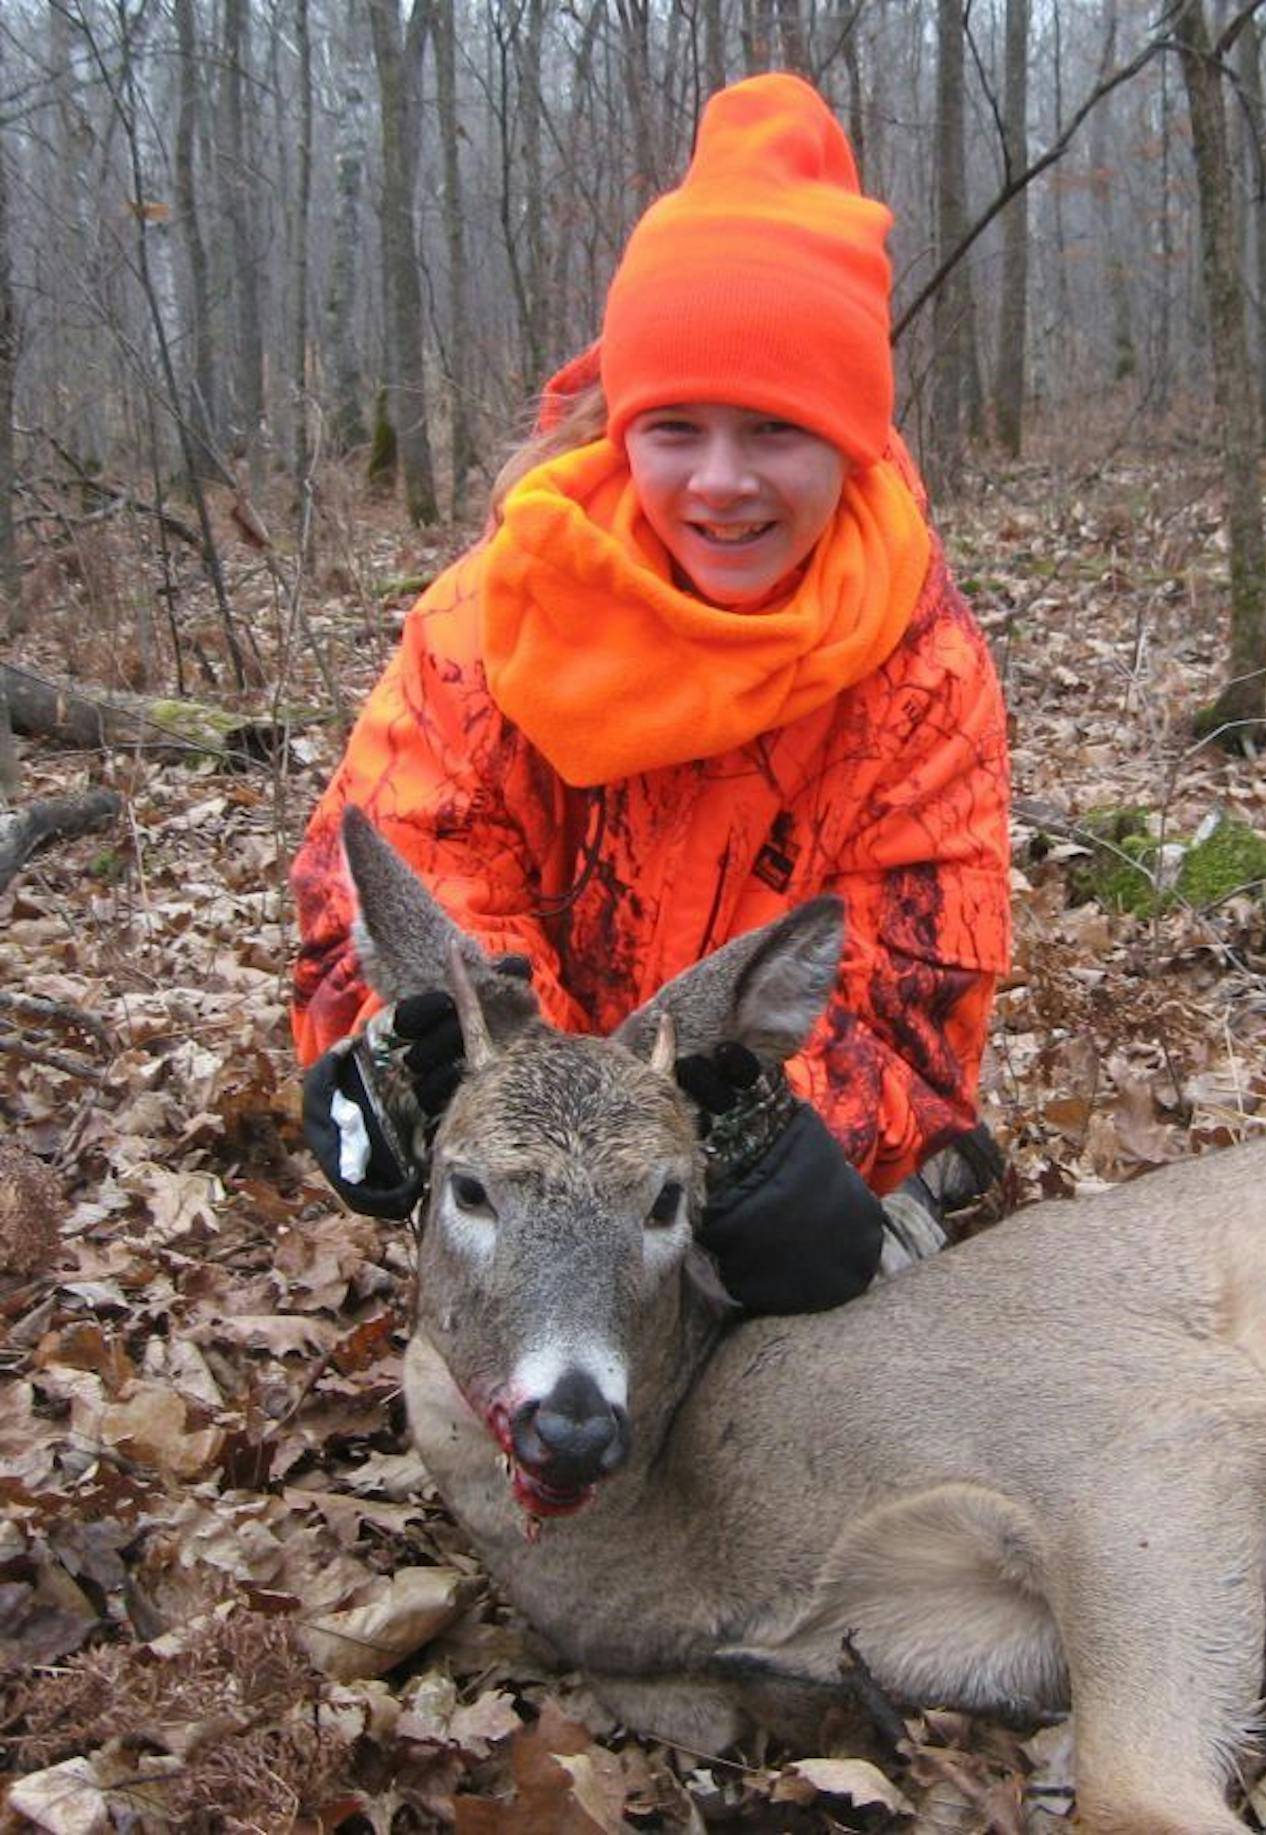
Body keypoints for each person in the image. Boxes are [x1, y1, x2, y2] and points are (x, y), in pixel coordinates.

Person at [292, 73, 1011, 1314]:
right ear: (619, 425)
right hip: (539, 1157)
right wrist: (402, 1063)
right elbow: (400, 864)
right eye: (675, 427)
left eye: (775, 430)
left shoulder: (922, 673)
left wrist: (789, 1149)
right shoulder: (497, 616)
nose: (720, 484)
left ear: (848, 438)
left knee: (823, 1359)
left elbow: (919, 992)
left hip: (749, 1144)